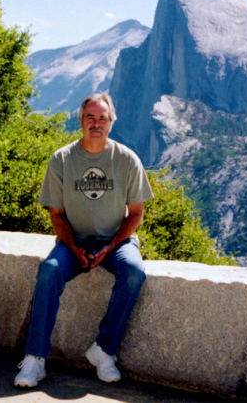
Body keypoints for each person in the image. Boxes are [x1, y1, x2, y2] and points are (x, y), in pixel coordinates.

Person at [14, 93, 153, 387]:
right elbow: (57, 214)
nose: (96, 123)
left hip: (117, 241)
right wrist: (75, 248)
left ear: (111, 124)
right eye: (90, 117)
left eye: (102, 118)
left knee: (134, 272)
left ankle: (103, 350)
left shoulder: (127, 159)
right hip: (72, 240)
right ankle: (34, 359)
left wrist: (111, 246)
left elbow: (136, 213)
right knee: (49, 270)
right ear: (80, 121)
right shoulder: (62, 159)